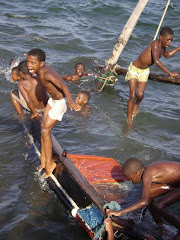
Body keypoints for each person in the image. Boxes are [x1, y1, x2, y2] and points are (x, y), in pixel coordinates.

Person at [26, 48, 81, 177]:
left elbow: (63, 85)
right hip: (52, 101)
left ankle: (50, 164)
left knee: (45, 131)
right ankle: (44, 160)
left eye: (32, 63)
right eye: (28, 62)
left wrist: (71, 101)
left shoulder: (46, 73)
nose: (29, 65)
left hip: (60, 103)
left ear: (41, 63)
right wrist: (31, 60)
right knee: (43, 129)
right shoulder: (40, 69)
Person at [107, 158, 180, 239]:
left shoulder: (147, 174)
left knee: (159, 205)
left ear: (138, 173)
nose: (130, 181)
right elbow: (146, 199)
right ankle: (160, 226)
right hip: (176, 183)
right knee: (149, 194)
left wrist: (120, 212)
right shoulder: (147, 171)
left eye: (130, 178)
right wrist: (141, 215)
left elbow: (144, 201)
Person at [125, 27, 180, 127]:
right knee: (132, 94)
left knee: (140, 95)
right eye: (168, 39)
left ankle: (136, 104)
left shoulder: (163, 48)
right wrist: (170, 73)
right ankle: (129, 120)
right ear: (161, 37)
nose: (169, 42)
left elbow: (167, 55)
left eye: (171, 40)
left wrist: (177, 48)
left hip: (144, 71)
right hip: (134, 69)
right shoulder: (154, 44)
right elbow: (156, 61)